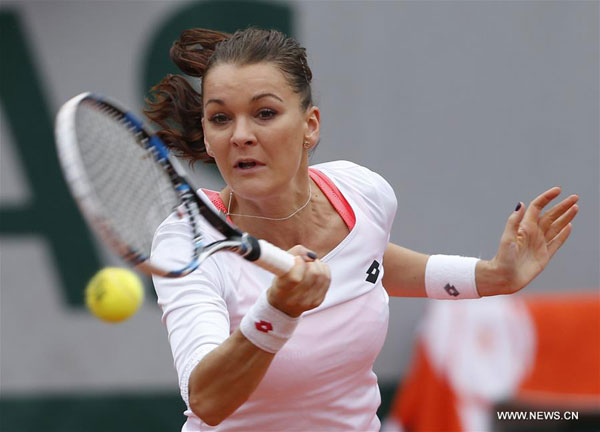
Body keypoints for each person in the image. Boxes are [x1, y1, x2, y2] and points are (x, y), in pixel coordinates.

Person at [146, 28, 579, 431]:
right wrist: (277, 311)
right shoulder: (189, 238)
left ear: (309, 125)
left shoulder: (362, 193)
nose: (241, 135)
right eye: (220, 119)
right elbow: (205, 398)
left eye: (264, 113)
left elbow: (369, 259)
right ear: (205, 134)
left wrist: (488, 277)